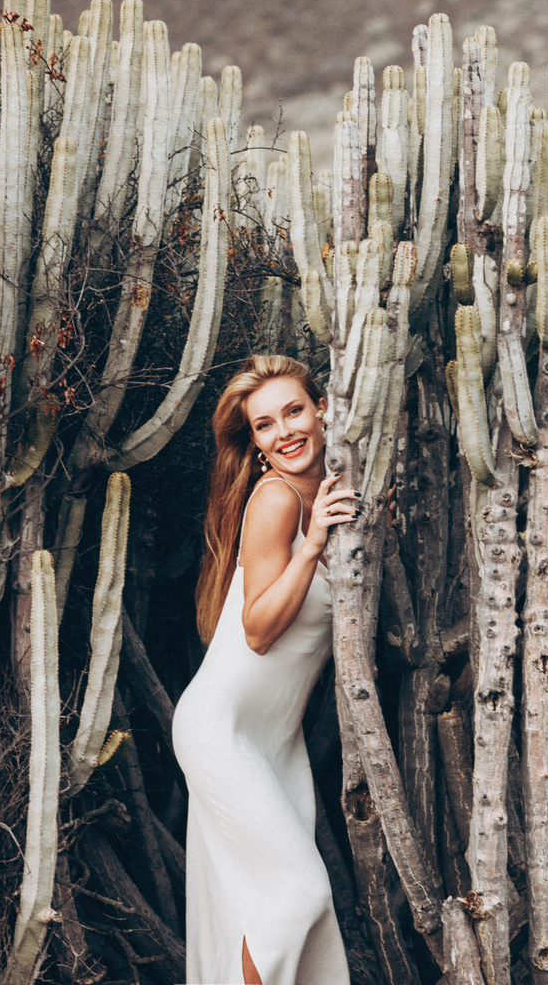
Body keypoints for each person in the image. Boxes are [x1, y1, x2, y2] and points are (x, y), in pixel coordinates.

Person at [173, 354, 355, 985]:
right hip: (221, 731)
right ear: (254, 443)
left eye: (294, 411)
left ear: (323, 410)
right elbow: (256, 630)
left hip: (275, 740)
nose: (285, 433)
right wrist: (313, 544)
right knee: (297, 897)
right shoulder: (276, 498)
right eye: (265, 425)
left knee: (282, 916)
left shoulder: (328, 495)